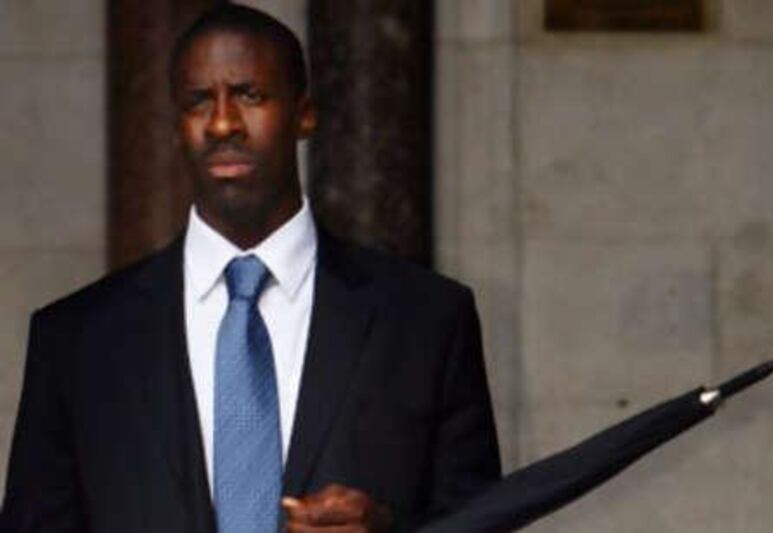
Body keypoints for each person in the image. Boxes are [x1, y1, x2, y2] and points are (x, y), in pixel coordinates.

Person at [0, 4, 500, 532]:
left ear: (304, 114)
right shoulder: (76, 340)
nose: (222, 123)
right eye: (198, 102)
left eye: (249, 95)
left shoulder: (427, 321)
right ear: (176, 126)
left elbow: (484, 522)